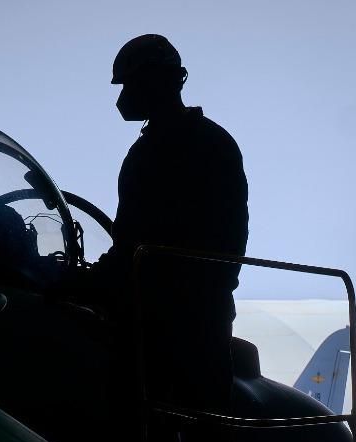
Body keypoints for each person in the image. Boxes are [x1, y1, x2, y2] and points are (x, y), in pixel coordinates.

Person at [86, 33, 249, 417]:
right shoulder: (213, 143)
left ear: (155, 83)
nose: (123, 97)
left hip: (160, 317)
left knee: (141, 425)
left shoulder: (157, 153)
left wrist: (90, 282)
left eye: (129, 85)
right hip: (203, 313)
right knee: (208, 431)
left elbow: (132, 242)